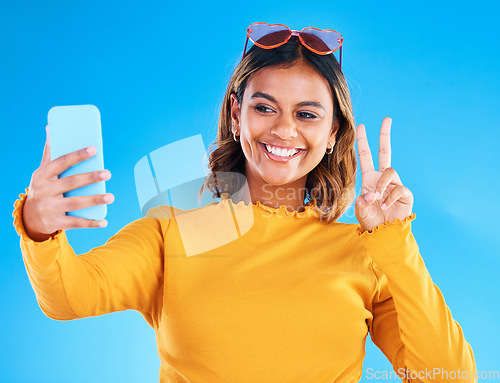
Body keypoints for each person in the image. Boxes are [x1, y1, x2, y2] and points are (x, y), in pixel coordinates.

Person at [13, 22, 476, 382]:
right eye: (264, 107)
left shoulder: (365, 252)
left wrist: (394, 240)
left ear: (333, 133)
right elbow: (68, 297)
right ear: (237, 114)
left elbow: (449, 373)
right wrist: (39, 227)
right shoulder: (174, 230)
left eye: (308, 114)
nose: (284, 130)